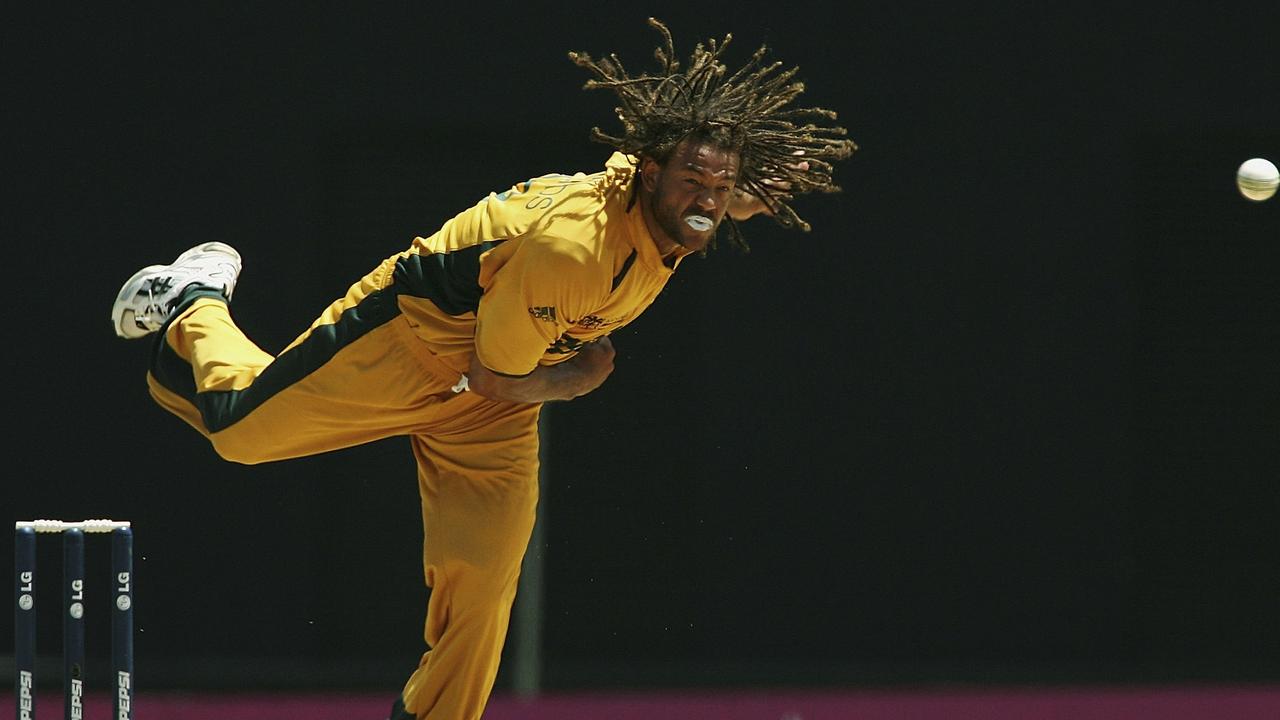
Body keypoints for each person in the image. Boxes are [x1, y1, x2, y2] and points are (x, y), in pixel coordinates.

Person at [110, 18, 855, 720]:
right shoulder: (574, 252)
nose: (707, 202)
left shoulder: (662, 200)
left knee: (483, 590)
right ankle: (197, 298)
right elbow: (497, 374)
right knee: (239, 432)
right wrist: (581, 377)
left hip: (493, 406)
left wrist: (733, 195)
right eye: (695, 182)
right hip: (412, 346)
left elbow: (500, 388)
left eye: (720, 189)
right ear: (654, 174)